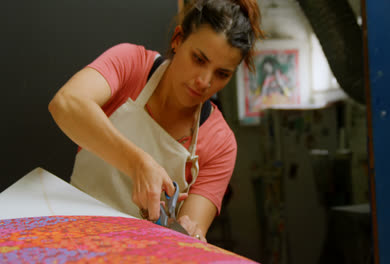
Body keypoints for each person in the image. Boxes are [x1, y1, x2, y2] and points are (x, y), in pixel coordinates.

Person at [48, 0, 263, 242]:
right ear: (177, 39)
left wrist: (189, 233)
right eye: (198, 59)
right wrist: (136, 162)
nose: (204, 81)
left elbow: (191, 235)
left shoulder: (220, 143)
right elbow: (66, 103)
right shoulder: (132, 64)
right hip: (69, 231)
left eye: (221, 74)